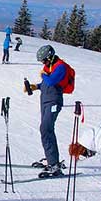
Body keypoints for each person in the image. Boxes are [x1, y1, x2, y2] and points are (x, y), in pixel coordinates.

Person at [24, 45, 70, 177]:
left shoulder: (61, 67)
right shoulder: (50, 66)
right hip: (45, 101)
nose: (43, 63)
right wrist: (34, 87)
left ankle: (54, 164)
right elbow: (45, 84)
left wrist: (43, 76)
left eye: (44, 60)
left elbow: (50, 81)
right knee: (46, 130)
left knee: (46, 128)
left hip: (53, 102)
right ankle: (51, 160)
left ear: (50, 56)